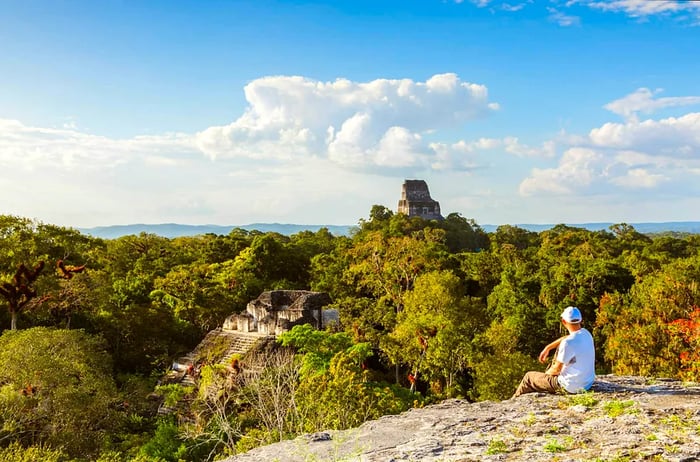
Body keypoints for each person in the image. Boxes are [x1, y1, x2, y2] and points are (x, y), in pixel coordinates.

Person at [512, 306, 595, 398]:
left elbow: (556, 370)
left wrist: (545, 376)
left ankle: (513, 401)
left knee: (528, 377)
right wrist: (548, 347)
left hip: (570, 387)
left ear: (563, 322)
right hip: (586, 384)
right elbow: (566, 338)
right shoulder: (586, 334)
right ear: (580, 320)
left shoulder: (567, 343)